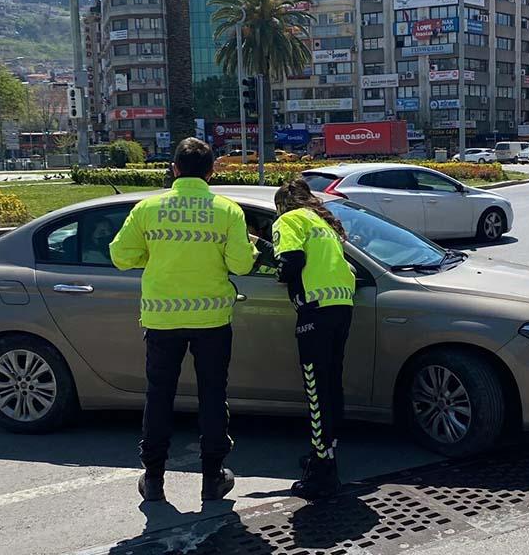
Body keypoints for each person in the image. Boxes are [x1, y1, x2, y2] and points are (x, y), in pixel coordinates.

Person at [109, 137, 258, 504]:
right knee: (212, 395)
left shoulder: (148, 208)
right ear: (212, 171)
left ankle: (154, 479)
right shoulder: (226, 210)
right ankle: (212, 480)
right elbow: (241, 264)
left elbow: (120, 256)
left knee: (159, 396)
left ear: (174, 169)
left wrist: (158, 256)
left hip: (162, 319)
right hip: (211, 320)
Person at [271, 178, 356, 499]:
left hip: (315, 313)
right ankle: (326, 451)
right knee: (331, 383)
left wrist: (276, 269)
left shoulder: (288, 220)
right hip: (340, 308)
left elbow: (291, 262)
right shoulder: (322, 223)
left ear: (282, 205)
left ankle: (323, 472)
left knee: (315, 389)